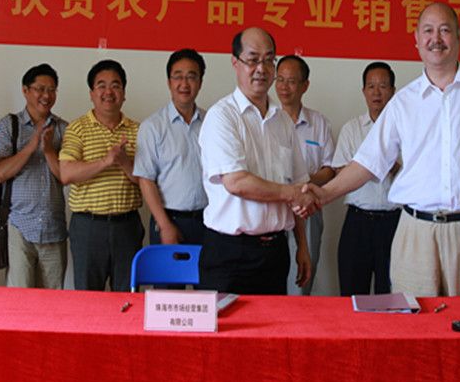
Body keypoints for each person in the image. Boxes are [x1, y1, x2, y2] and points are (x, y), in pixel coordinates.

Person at [309, 2, 460, 297]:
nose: (436, 39)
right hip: (416, 234)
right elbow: (367, 164)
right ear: (417, 40)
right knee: (413, 320)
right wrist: (324, 194)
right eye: (428, 31)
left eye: (444, 30)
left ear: (458, 37)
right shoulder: (403, 102)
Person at [198, 27, 314, 295]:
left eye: (269, 60)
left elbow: (299, 184)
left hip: (275, 252)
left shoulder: (283, 121)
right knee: (225, 323)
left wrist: (302, 246)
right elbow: (237, 182)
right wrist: (290, 193)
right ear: (235, 62)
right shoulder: (222, 116)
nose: (261, 69)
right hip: (230, 253)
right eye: (253, 60)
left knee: (273, 323)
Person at [59, 59, 143, 291]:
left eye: (115, 85)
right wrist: (105, 161)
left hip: (127, 225)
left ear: (124, 93)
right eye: (101, 85)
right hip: (88, 226)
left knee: (127, 296)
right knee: (88, 298)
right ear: (91, 93)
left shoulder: (139, 130)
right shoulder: (77, 128)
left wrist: (124, 162)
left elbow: (147, 181)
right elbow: (66, 173)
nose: (109, 92)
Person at [0, 64, 68, 289]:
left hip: (54, 228)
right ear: (25, 90)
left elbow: (65, 177)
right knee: (19, 301)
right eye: (40, 89)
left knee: (53, 302)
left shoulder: (64, 129)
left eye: (52, 90)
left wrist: (49, 150)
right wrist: (32, 145)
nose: (47, 95)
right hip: (19, 227)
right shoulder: (9, 125)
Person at [332, 61, 399, 296]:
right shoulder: (351, 129)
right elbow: (340, 171)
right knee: (351, 291)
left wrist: (390, 166)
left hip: (395, 223)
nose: (376, 92)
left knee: (390, 295)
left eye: (383, 86)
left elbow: (413, 176)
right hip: (358, 221)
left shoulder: (406, 129)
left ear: (393, 90)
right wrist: (371, 168)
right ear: (363, 91)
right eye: (371, 86)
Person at [134, 49, 208, 246]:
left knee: (206, 268)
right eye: (178, 76)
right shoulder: (152, 126)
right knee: (168, 269)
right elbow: (146, 180)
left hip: (208, 221)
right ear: (169, 82)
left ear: (200, 82)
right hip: (168, 221)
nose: (184, 83)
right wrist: (165, 225)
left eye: (191, 76)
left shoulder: (212, 123)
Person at [275, 54, 335, 295]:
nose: (284, 87)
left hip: (308, 208)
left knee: (301, 281)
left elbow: (330, 169)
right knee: (272, 280)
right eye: (280, 80)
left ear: (305, 85)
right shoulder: (267, 121)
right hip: (275, 208)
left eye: (291, 81)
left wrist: (304, 183)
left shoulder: (318, 123)